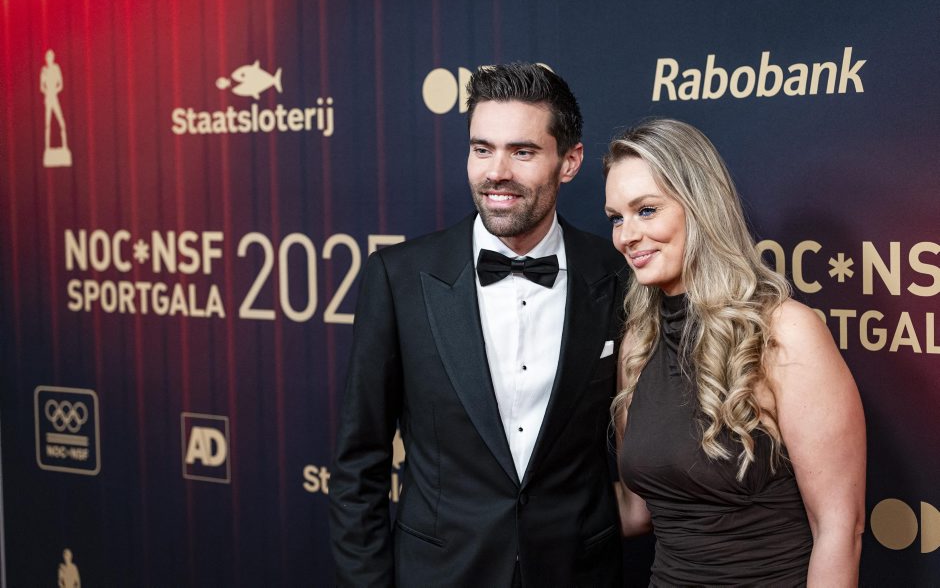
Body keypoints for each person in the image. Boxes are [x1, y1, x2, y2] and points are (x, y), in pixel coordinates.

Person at [329, 63, 626, 587]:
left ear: (570, 161)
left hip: (579, 572)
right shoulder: (400, 278)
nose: (496, 172)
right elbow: (359, 463)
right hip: (440, 573)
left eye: (523, 152)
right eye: (482, 149)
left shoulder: (618, 276)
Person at [603, 118, 866, 586]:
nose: (627, 235)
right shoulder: (638, 344)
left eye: (646, 210)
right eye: (616, 218)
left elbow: (839, 529)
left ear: (700, 206)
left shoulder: (783, 331)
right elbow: (638, 511)